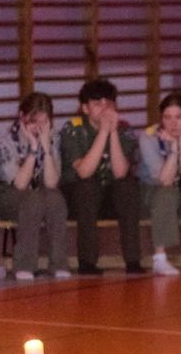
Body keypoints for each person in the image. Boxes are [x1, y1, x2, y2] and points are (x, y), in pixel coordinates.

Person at [59, 78, 144, 275]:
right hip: (78, 199)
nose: (105, 109)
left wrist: (112, 133)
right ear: (85, 108)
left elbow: (120, 173)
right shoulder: (73, 128)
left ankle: (133, 260)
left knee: (127, 186)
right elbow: (84, 172)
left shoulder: (124, 129)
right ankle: (87, 262)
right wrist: (103, 132)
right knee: (87, 187)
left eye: (109, 103)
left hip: (110, 195)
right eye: (97, 103)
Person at [0, 92, 70, 280]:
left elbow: (51, 183)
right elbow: (20, 184)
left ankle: (59, 263)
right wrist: (34, 149)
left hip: (40, 192)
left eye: (43, 123)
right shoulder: (6, 142)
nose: (38, 128)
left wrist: (46, 149)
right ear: (22, 117)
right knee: (32, 199)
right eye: (33, 122)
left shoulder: (53, 138)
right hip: (10, 195)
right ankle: (25, 264)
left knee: (56, 199)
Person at [140, 92, 181, 276]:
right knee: (167, 192)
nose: (173, 123)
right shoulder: (148, 137)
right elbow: (164, 180)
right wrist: (172, 150)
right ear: (161, 119)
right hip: (152, 189)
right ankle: (160, 258)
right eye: (167, 117)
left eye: (179, 117)